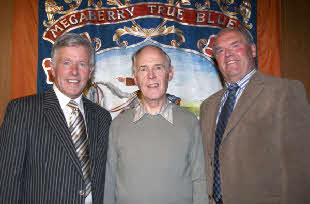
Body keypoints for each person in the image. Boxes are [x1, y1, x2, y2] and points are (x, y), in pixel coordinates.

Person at [200, 26, 310, 204]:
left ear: (252, 50)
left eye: (235, 46)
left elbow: (301, 168)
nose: (228, 54)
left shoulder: (284, 91)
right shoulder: (208, 106)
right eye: (220, 50)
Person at [0, 33, 111, 204]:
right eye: (66, 63)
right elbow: (7, 181)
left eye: (82, 64)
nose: (74, 71)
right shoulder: (22, 111)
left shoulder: (102, 117)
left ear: (90, 71)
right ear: (52, 68)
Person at [104, 45, 209, 204]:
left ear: (170, 73)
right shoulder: (118, 125)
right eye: (143, 69)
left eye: (158, 68)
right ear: (135, 77)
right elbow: (109, 182)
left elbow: (200, 180)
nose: (151, 76)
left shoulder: (189, 122)